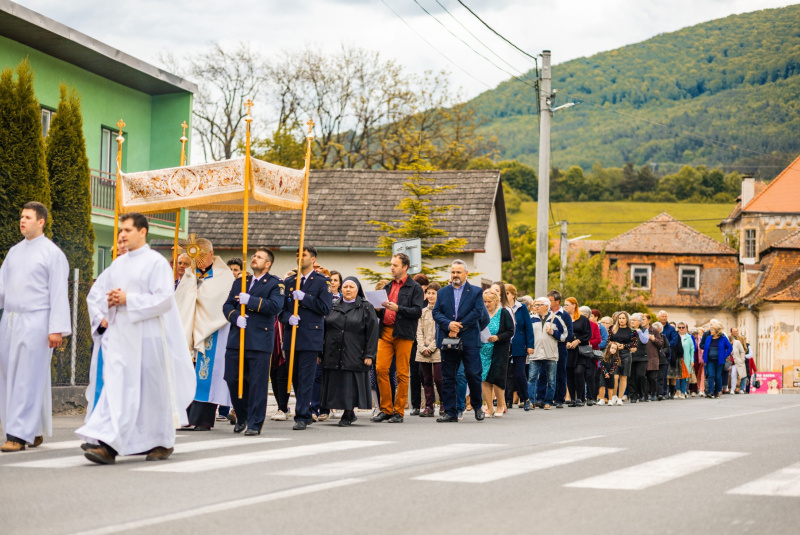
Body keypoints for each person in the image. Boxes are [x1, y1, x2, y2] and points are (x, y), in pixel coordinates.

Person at [76, 213, 195, 464]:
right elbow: (103, 296)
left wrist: (128, 299)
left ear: (142, 232)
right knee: (116, 387)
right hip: (121, 335)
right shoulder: (118, 265)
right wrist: (109, 306)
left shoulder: (156, 263)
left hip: (147, 336)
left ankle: (161, 442)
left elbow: (163, 299)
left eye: (127, 230)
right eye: (121, 230)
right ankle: (108, 445)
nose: (121, 234)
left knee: (152, 391)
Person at [0, 202, 71, 453]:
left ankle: (17, 435)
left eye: (28, 217)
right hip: (10, 320)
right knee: (9, 375)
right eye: (21, 216)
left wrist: (57, 329)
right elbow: (3, 287)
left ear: (41, 221)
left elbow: (59, 294)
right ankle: (35, 429)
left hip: (37, 322)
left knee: (27, 378)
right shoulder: (13, 252)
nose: (22, 221)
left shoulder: (52, 254)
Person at [223, 247, 284, 435]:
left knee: (258, 384)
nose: (254, 258)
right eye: (254, 256)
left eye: (259, 257)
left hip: (259, 340)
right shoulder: (241, 281)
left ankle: (255, 423)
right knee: (232, 378)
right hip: (237, 338)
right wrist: (234, 317)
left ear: (268, 264)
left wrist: (250, 300)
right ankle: (242, 416)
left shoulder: (275, 284)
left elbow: (275, 306)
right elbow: (227, 305)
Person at [175, 240, 235, 431]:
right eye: (196, 257)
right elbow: (181, 299)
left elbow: (217, 301)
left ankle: (202, 419)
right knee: (187, 371)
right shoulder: (189, 274)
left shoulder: (223, 275)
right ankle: (184, 416)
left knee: (206, 374)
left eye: (203, 256)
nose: (199, 261)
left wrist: (199, 294)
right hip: (189, 329)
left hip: (211, 329)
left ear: (211, 254)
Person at [280, 246, 333, 430]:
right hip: (291, 335)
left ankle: (302, 415)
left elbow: (325, 308)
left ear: (313, 259)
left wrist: (304, 298)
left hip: (310, 337)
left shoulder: (321, 282)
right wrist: (288, 318)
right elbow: (280, 310)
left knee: (306, 377)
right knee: (294, 377)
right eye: (297, 255)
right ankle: (306, 408)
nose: (299, 258)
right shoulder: (289, 282)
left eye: (303, 255)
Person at [432, 260, 489, 423]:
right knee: (448, 376)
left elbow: (478, 312)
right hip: (448, 338)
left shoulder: (476, 292)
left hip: (469, 339)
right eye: (453, 272)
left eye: (458, 272)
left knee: (473, 374)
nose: (455, 275)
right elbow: (436, 313)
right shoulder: (442, 292)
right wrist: (448, 324)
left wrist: (459, 326)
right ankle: (451, 412)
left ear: (466, 273)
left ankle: (477, 406)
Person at [371, 253, 424, 424]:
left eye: (395, 265)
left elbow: (417, 311)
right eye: (391, 265)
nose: (392, 268)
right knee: (381, 369)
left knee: (402, 373)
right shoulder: (387, 286)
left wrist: (398, 308)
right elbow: (381, 309)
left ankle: (399, 411)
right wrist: (377, 309)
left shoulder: (414, 287)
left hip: (403, 333)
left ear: (404, 267)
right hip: (385, 332)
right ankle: (385, 409)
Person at [319, 277, 377, 427]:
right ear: (340, 289)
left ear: (357, 289)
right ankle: (344, 411)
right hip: (333, 350)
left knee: (350, 384)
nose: (348, 290)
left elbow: (372, 332)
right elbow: (324, 329)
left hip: (355, 351)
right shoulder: (332, 305)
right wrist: (320, 352)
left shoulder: (365, 307)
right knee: (337, 382)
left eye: (351, 287)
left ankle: (348, 412)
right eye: (345, 287)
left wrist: (369, 354)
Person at [480, 290, 514, 417]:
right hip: (483, 350)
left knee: (497, 378)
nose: (486, 304)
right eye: (484, 302)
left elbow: (510, 331)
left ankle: (500, 405)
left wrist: (498, 337)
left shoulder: (503, 312)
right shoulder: (482, 313)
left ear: (495, 301)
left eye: (489, 302)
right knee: (485, 379)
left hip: (499, 349)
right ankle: (489, 407)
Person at [527, 297, 565, 410]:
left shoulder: (556, 319)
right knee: (531, 378)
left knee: (551, 380)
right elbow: (527, 334)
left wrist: (553, 332)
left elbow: (565, 336)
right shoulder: (531, 318)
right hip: (535, 353)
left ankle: (548, 402)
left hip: (550, 354)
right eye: (535, 305)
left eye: (539, 304)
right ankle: (531, 402)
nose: (536, 307)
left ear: (547, 306)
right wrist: (528, 347)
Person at [536, 290, 572, 408]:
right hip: (545, 348)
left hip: (560, 348)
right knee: (543, 373)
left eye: (550, 300)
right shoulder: (544, 314)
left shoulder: (564, 315)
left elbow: (569, 334)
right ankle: (541, 398)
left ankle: (559, 398)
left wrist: (554, 334)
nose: (548, 303)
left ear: (557, 301)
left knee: (560, 373)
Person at [506, 284, 535, 410]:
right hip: (505, 344)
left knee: (519, 374)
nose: (505, 296)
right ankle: (507, 401)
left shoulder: (521, 307)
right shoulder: (501, 308)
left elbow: (528, 327)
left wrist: (530, 345)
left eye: (507, 293)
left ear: (513, 294)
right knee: (506, 374)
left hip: (519, 343)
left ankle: (526, 399)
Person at [416, 281, 443, 417]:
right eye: (429, 293)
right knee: (426, 379)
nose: (431, 296)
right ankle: (429, 406)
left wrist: (431, 347)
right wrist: (422, 347)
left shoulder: (442, 312)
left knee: (439, 378)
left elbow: (440, 332)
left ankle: (444, 404)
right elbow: (418, 331)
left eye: (434, 293)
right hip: (423, 349)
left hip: (437, 349)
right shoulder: (422, 312)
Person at [564, 301, 594, 407]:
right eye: (564, 305)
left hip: (580, 350)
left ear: (574, 306)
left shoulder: (583, 319)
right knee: (570, 374)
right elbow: (561, 332)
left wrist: (578, 341)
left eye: (567, 304)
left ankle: (580, 398)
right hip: (568, 350)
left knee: (578, 372)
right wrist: (566, 341)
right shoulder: (563, 318)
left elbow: (588, 333)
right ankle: (572, 398)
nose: (565, 306)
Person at [408, 273, 429, 416]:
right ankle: (415, 405)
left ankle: (429, 403)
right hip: (413, 340)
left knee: (425, 374)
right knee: (414, 373)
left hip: (427, 341)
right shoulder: (413, 300)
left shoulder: (430, 302)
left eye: (421, 286)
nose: (419, 289)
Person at [609, 311, 636, 406]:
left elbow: (634, 346)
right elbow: (609, 341)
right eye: (620, 318)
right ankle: (613, 396)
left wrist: (623, 346)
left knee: (623, 376)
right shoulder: (613, 329)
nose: (621, 320)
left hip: (626, 355)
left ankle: (620, 398)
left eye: (623, 318)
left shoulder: (632, 331)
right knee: (614, 376)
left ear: (627, 319)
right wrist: (614, 345)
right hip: (614, 354)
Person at [703, 320, 732, 398]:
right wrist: (705, 359)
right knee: (711, 375)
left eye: (712, 330)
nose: (711, 331)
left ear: (716, 331)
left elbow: (730, 347)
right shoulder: (708, 338)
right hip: (710, 360)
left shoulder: (723, 338)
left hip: (719, 361)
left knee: (718, 376)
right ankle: (711, 391)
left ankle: (718, 391)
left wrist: (724, 355)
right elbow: (706, 349)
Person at [675, 322, 695, 398]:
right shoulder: (676, 337)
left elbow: (692, 350)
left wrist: (692, 360)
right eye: (679, 327)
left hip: (686, 358)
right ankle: (677, 390)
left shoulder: (689, 338)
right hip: (677, 358)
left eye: (683, 327)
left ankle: (683, 392)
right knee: (677, 375)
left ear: (685, 328)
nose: (681, 329)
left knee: (684, 376)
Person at [650, 321, 667, 401]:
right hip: (652, 359)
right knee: (653, 377)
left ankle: (660, 393)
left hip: (662, 360)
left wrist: (662, 351)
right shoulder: (650, 337)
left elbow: (667, 347)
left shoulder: (663, 337)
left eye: (658, 330)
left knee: (660, 377)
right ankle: (652, 392)